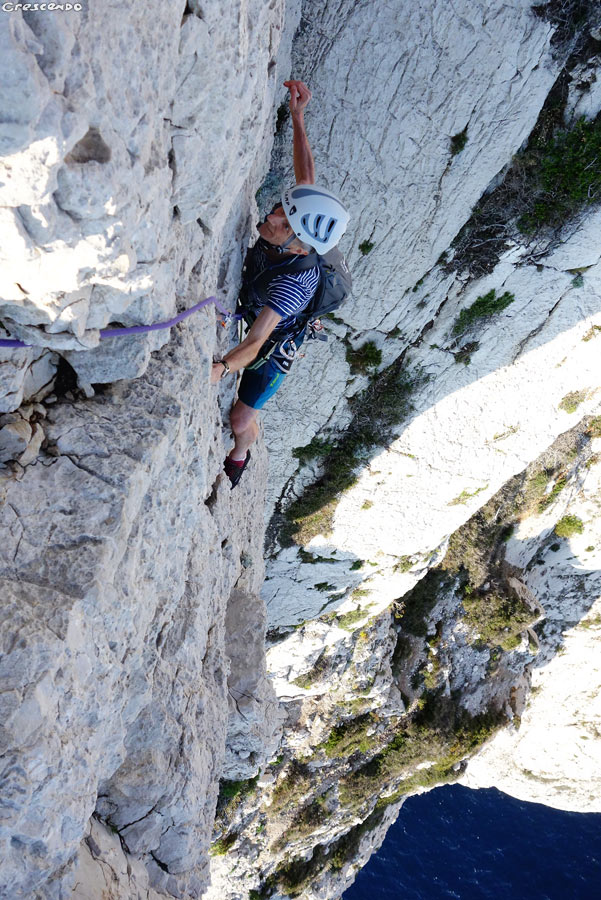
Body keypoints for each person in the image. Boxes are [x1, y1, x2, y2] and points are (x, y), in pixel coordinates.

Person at [211, 80, 350, 488]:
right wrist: (299, 116)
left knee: (240, 417)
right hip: (260, 314)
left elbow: (255, 343)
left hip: (276, 344)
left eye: (282, 225)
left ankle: (241, 453)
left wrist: (221, 368)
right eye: (278, 211)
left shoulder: (294, 283)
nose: (271, 219)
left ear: (296, 246)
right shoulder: (296, 231)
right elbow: (306, 178)